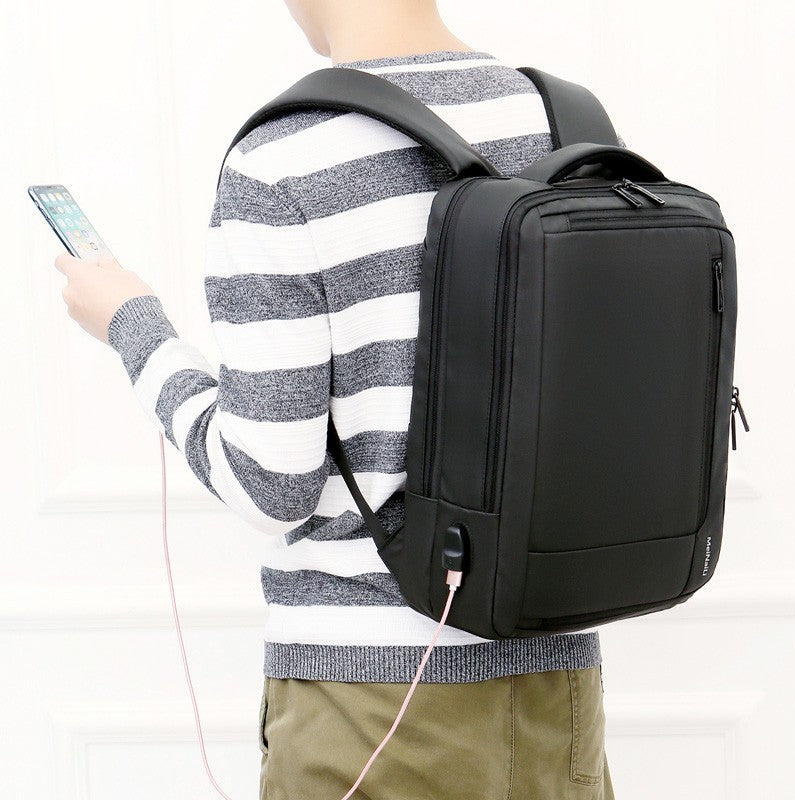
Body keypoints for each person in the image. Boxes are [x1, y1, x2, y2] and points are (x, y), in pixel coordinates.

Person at [54, 1, 616, 797]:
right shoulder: (564, 121)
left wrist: (132, 327)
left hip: (368, 710)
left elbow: (271, 485)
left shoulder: (283, 162)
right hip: (559, 696)